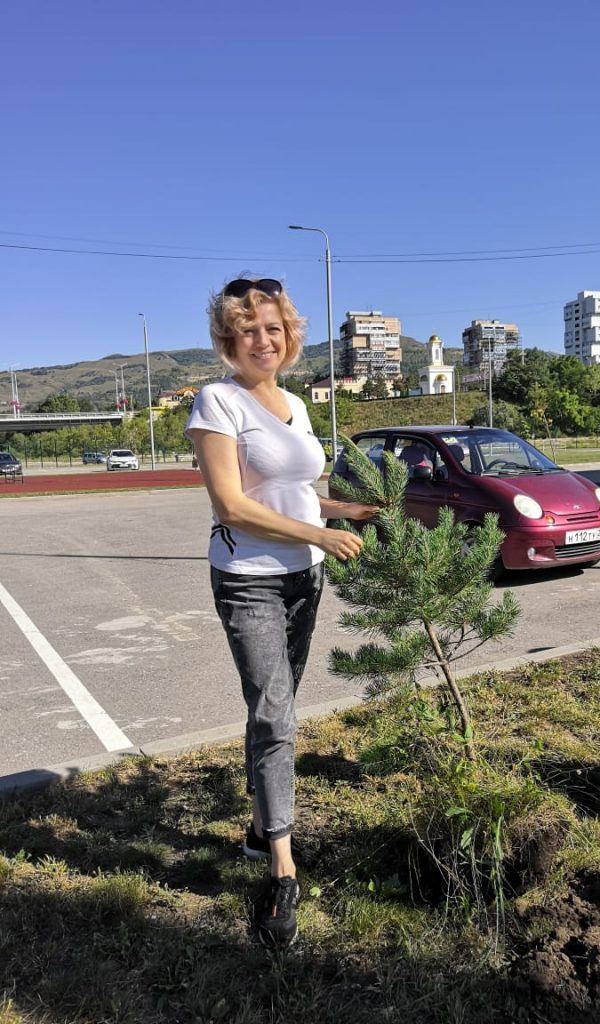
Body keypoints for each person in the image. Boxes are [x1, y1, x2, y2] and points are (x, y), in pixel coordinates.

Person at [185, 276, 377, 948]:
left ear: (287, 334)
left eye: (273, 327)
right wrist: (322, 536)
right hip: (248, 580)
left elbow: (293, 492)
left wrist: (345, 513)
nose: (263, 339)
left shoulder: (293, 402)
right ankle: (282, 867)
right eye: (248, 329)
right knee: (276, 714)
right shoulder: (217, 402)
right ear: (228, 340)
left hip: (305, 579)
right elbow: (233, 506)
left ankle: (258, 825)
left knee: (275, 708)